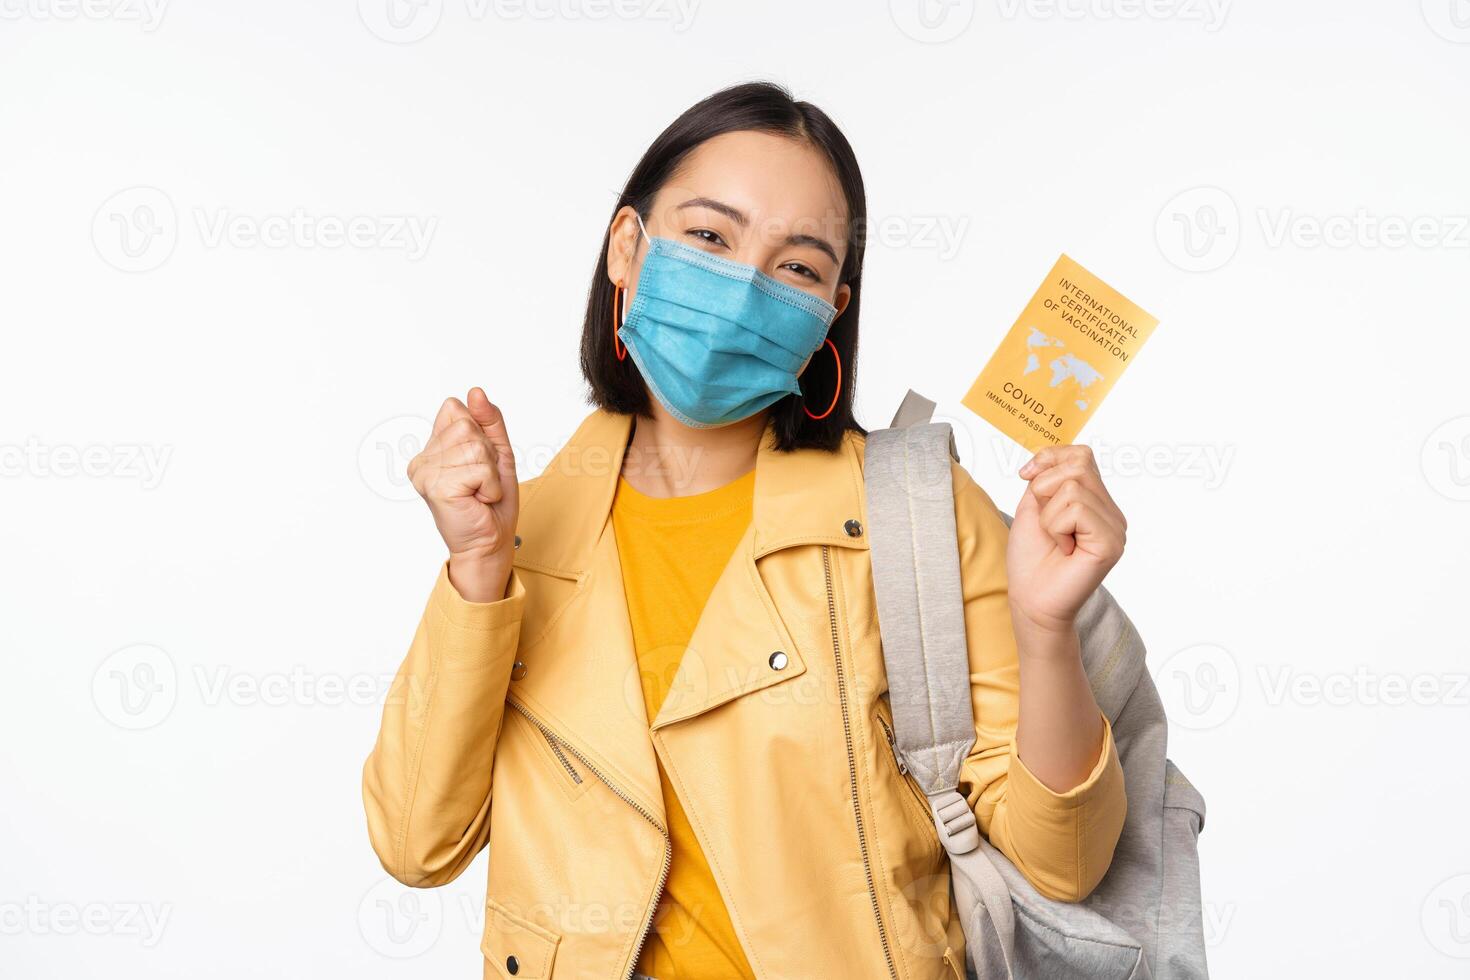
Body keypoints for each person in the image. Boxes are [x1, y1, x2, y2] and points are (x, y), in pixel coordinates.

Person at [363, 81, 1128, 980]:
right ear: (627, 248)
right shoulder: (518, 534)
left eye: (797, 266)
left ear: (832, 309)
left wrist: (1046, 634)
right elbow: (418, 844)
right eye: (710, 237)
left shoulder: (919, 513)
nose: (740, 289)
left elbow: (1062, 864)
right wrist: (478, 572)